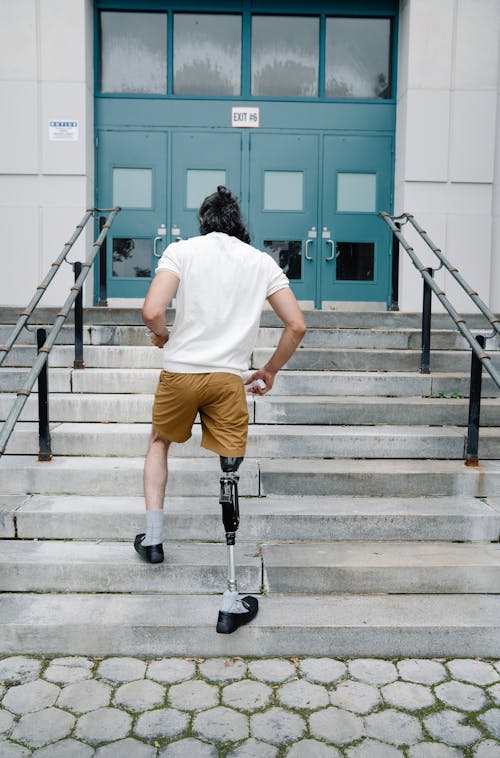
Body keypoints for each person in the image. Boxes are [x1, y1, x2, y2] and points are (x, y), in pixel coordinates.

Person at [135, 185, 306, 632]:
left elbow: (152, 309)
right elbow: (297, 324)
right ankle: (231, 599)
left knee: (160, 441)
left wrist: (162, 336)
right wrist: (269, 369)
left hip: (180, 374)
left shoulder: (182, 251)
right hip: (228, 379)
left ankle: (153, 539)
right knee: (229, 471)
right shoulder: (261, 261)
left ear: (203, 221)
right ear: (238, 223)